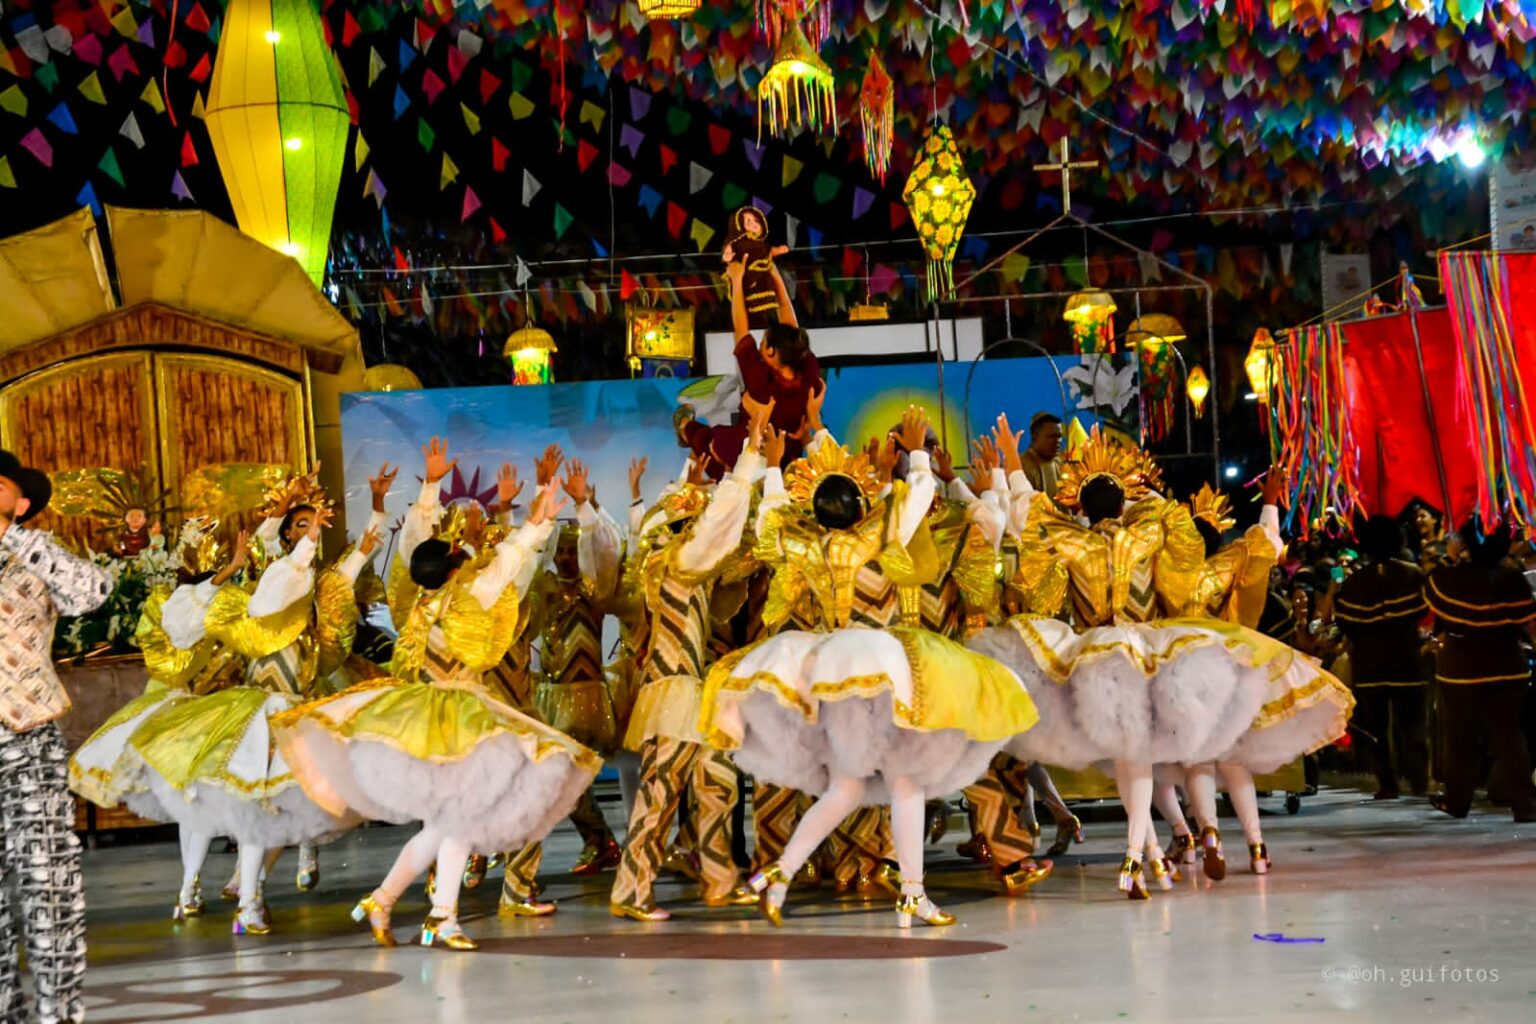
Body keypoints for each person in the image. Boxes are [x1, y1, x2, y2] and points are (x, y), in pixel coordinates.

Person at [970, 427, 1353, 899]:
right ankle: (1209, 845)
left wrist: (1009, 466)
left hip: (1098, 661)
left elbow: (1028, 519)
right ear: (1125, 502)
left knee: (1131, 762)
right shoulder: (1152, 532)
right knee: (1194, 761)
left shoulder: (1070, 540)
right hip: (1164, 661)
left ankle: (1150, 853)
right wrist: (1265, 505)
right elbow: (1239, 556)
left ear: (1082, 508)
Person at [700, 408, 1042, 928]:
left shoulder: (805, 543)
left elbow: (770, 519)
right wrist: (918, 455)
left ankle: (780, 874)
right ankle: (911, 893)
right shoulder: (876, 533)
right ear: (862, 507)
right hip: (881, 675)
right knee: (905, 783)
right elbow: (920, 494)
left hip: (832, 679)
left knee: (848, 788)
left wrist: (772, 467)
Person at [274, 439, 601, 951]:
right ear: (453, 568)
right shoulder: (465, 599)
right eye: (459, 557)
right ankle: (433, 915)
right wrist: (537, 521)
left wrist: (435, 491)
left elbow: (457, 557)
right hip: (461, 724)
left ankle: (396, 903)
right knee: (457, 824)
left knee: (449, 826)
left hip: (432, 723)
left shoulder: (418, 609)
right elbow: (505, 565)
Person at [609, 404, 773, 922]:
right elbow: (717, 530)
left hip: (690, 687)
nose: (703, 524)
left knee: (716, 780)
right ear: (683, 527)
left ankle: (720, 879)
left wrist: (701, 479)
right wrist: (749, 456)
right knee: (660, 793)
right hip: (674, 689)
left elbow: (727, 551)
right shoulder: (677, 563)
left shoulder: (678, 564)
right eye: (694, 519)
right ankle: (630, 891)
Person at [0, 449, 111, 1024]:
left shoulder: (39, 558)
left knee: (47, 882)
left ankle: (57, 1015)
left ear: (19, 503)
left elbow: (94, 593)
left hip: (28, 736)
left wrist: (20, 541)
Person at [1425, 517, 1536, 823]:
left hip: (1462, 670)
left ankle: (1457, 801)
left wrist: (1450, 555)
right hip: (1508, 667)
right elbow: (1527, 620)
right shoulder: (1513, 579)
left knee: (1460, 740)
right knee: (1510, 739)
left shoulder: (1453, 578)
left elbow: (1432, 589)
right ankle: (1525, 805)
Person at [676, 257, 822, 478]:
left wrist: (737, 279)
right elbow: (790, 324)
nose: (760, 346)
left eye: (763, 343)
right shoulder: (807, 369)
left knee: (703, 440)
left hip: (747, 455)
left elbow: (741, 329)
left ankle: (683, 424)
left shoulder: (761, 380)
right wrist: (774, 274)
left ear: (772, 352)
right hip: (786, 459)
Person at [1335, 516, 1430, 800]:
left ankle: (1387, 783)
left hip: (1370, 666)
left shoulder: (1355, 582)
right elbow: (1424, 611)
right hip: (1407, 662)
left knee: (1375, 730)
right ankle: (1418, 781)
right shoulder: (1412, 574)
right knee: (1412, 725)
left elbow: (1346, 622)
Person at [1018, 412, 1063, 498]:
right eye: (1052, 437)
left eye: (1059, 436)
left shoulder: (1060, 463)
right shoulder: (1023, 466)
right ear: (1035, 437)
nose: (1058, 441)